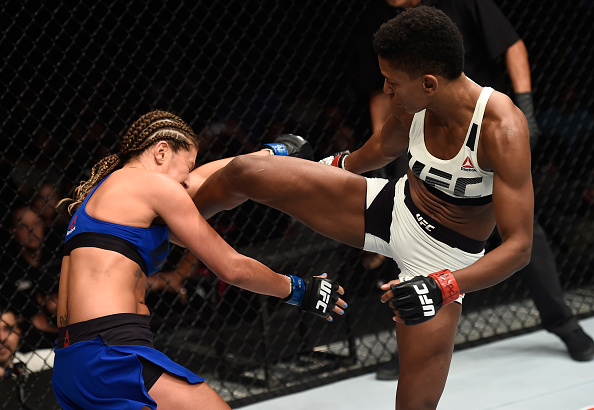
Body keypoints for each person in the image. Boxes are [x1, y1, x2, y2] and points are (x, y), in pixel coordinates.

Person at [193, 7, 533, 408]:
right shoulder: (415, 102)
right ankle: (175, 227)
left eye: (391, 82)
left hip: (446, 257)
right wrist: (320, 170)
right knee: (251, 170)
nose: (386, 91)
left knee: (415, 403)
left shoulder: (501, 129)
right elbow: (376, 151)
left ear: (428, 83)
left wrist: (443, 285)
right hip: (394, 208)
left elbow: (519, 248)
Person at [51, 110, 346, 410]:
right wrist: (298, 290)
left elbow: (204, 180)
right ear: (162, 151)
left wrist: (273, 154)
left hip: (71, 363)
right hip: (111, 353)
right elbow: (231, 266)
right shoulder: (152, 186)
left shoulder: (103, 196)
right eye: (186, 169)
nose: (185, 184)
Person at [362, 1, 594, 377]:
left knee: (522, 232)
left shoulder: (465, 2)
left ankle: (563, 322)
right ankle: (414, 344)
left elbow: (512, 45)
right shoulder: (384, 23)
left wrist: (525, 104)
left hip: (480, 138)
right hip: (427, 138)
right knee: (412, 228)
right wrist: (388, 145)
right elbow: (380, 91)